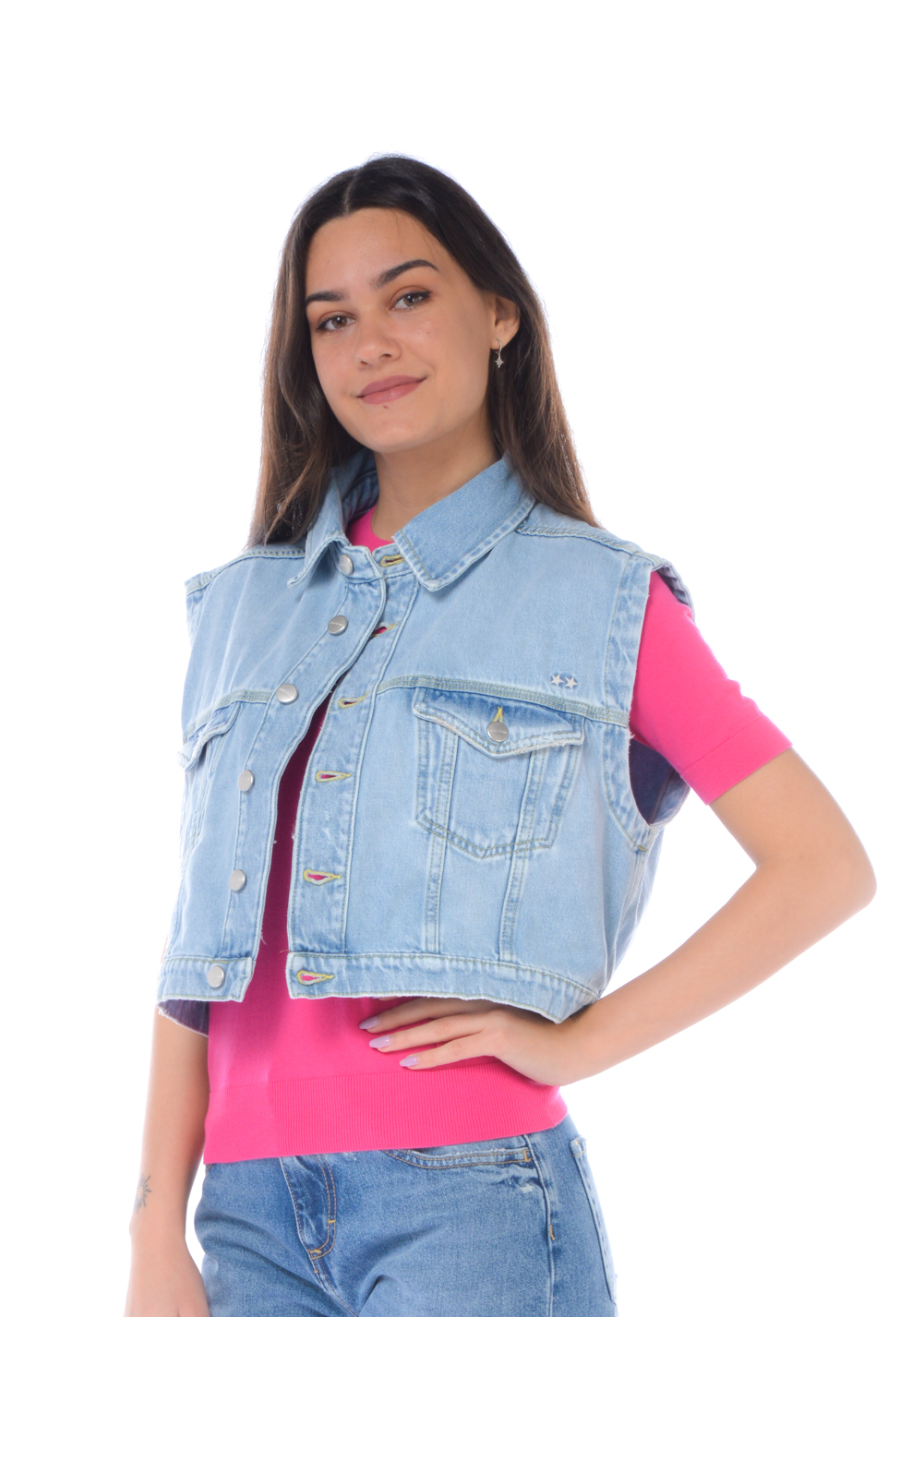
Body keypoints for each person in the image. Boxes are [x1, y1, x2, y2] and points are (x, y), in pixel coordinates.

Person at [125, 155, 876, 1318]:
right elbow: (199, 957)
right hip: (247, 1217)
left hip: (471, 1200)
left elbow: (825, 867)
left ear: (499, 314)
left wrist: (578, 1045)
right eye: (333, 319)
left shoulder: (601, 602)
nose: (371, 343)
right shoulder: (243, 608)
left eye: (409, 296)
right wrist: (151, 1226)